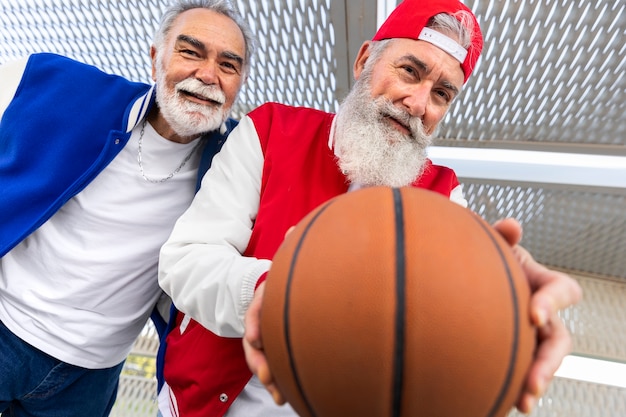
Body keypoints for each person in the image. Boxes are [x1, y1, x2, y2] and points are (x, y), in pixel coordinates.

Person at [158, 0, 582, 416]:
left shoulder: (444, 194)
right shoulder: (271, 131)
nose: (417, 103)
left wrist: (503, 312)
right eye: (409, 71)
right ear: (364, 60)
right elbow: (186, 262)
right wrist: (286, 292)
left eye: (441, 93)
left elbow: (451, 311)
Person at [0, 1, 254, 416]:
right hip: (6, 327)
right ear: (156, 58)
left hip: (91, 376)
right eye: (191, 52)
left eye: (228, 65)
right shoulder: (59, 87)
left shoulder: (231, 169)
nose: (208, 75)